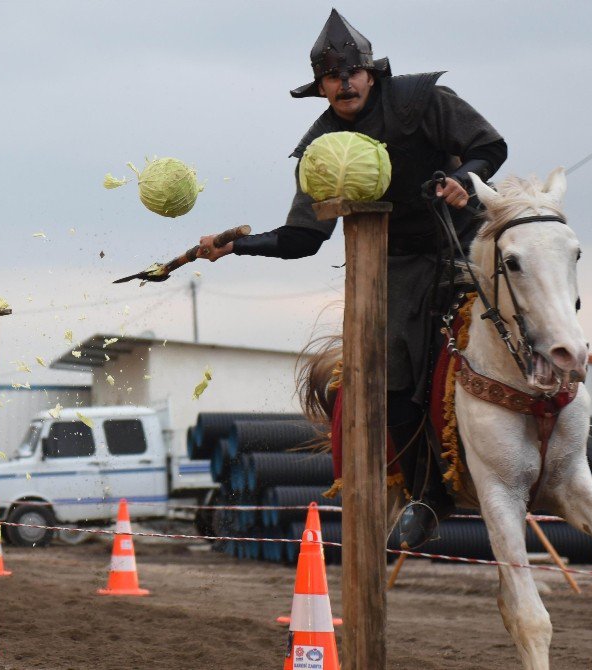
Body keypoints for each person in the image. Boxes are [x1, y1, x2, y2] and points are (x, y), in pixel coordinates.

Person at [197, 9, 508, 548]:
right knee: (391, 372)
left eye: (351, 74)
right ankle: (427, 493)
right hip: (397, 263)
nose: (343, 85)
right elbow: (303, 238)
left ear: (371, 74)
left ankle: (579, 429)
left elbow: (491, 147)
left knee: (536, 293)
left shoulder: (423, 100)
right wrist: (237, 245)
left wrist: (463, 178)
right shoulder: (319, 148)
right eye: (331, 78)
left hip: (470, 234)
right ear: (320, 87)